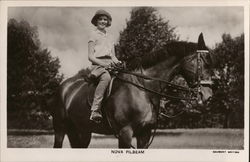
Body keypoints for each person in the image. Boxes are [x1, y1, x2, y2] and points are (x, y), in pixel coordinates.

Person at [88, 9, 120, 123]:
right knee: (106, 78)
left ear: (108, 22)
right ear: (96, 21)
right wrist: (104, 64)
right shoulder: (93, 34)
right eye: (100, 19)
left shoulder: (110, 37)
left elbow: (113, 56)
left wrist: (118, 62)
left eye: (105, 19)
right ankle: (95, 110)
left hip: (110, 64)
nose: (103, 21)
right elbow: (90, 56)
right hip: (98, 65)